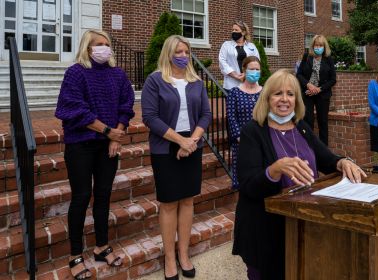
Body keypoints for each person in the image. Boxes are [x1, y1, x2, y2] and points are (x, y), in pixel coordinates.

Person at [232, 69, 366, 279]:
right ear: (267, 98)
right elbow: (248, 184)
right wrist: (275, 170)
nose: (284, 99)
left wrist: (342, 162)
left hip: (302, 221)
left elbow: (325, 157)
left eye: (290, 94)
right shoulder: (253, 131)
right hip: (265, 229)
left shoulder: (300, 126)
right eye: (278, 94)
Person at [55, 29, 134, 279]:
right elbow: (73, 108)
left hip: (107, 146)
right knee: (81, 197)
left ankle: (101, 246)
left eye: (107, 44)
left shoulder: (117, 74)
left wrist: (116, 136)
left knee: (103, 195)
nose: (104, 48)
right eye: (98, 44)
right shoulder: (76, 73)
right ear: (87, 48)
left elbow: (126, 105)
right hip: (81, 144)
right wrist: (108, 131)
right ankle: (75, 255)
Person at [141, 35, 212, 279]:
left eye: (186, 51)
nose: (183, 55)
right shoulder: (155, 80)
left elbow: (205, 114)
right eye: (178, 51)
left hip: (192, 144)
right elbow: (150, 118)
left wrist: (191, 141)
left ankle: (184, 254)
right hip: (165, 146)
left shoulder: (196, 81)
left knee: (188, 200)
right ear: (168, 53)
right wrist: (180, 141)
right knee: (169, 203)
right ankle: (169, 258)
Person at [226, 56, 263, 189]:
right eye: (251, 69)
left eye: (257, 69)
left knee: (261, 177)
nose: (255, 72)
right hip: (241, 143)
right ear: (244, 70)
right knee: (244, 179)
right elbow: (231, 117)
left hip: (261, 141)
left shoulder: (264, 93)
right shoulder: (234, 93)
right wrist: (240, 137)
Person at [296, 35, 336, 146]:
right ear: (312, 46)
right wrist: (308, 85)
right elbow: (299, 74)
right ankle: (308, 148)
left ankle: (324, 151)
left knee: (323, 122)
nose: (318, 47)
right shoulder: (306, 57)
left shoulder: (328, 59)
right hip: (307, 94)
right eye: (316, 45)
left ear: (324, 46)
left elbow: (333, 79)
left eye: (320, 45)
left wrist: (319, 89)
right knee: (307, 121)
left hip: (322, 94)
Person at [218, 21, 260, 92]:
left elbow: (257, 62)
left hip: (250, 82)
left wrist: (246, 74)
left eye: (236, 30)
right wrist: (235, 75)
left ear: (243, 32)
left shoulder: (251, 46)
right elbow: (222, 61)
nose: (233, 32)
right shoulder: (226, 45)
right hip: (231, 84)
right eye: (233, 30)